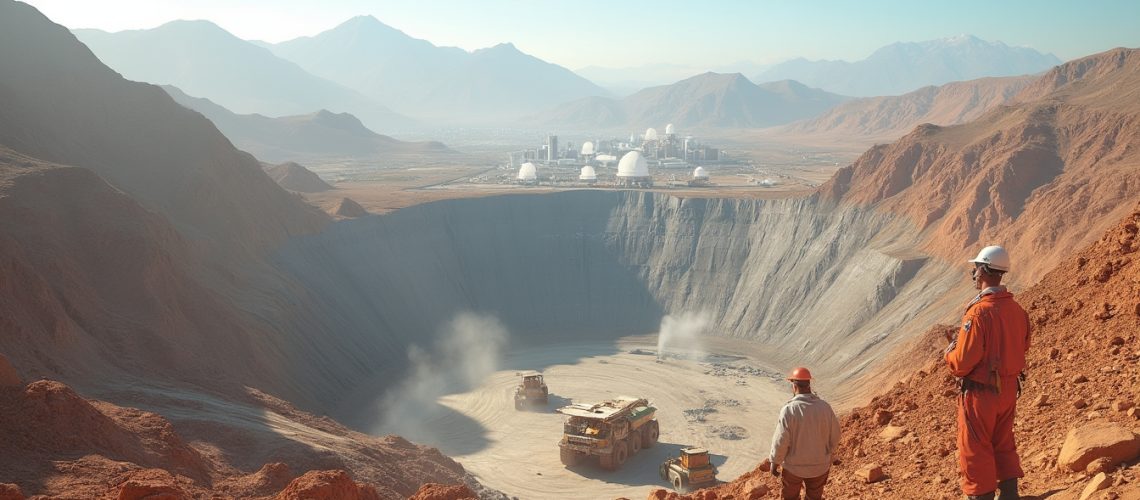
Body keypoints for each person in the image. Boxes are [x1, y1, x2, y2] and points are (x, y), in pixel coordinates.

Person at [944, 245, 1030, 500]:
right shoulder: (1017, 309)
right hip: (1009, 388)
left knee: (975, 447)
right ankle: (1010, 494)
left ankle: (981, 496)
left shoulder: (979, 312)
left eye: (975, 268)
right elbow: (1023, 345)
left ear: (982, 271)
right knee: (1003, 440)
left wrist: (949, 353)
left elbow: (962, 362)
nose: (973, 273)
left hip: (982, 393)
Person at [766, 367, 842, 500]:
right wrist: (828, 454)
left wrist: (775, 462)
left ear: (794, 386)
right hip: (820, 467)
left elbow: (781, 440)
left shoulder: (789, 410)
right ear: (809, 385)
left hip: (793, 468)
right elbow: (836, 435)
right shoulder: (825, 407)